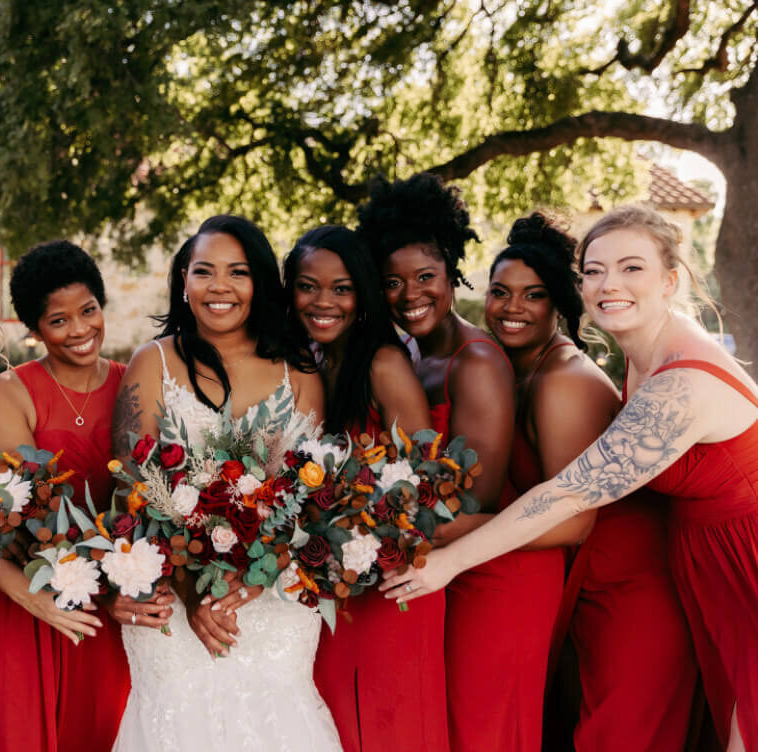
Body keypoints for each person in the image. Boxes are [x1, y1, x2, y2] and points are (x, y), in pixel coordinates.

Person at [383, 204, 757, 752]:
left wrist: (447, 558)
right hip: (696, 556)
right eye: (595, 271)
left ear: (671, 280)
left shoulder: (682, 385)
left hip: (741, 557)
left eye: (632, 268)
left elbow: (570, 493)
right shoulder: (644, 348)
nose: (610, 284)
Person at [109, 214, 338, 750]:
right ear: (183, 281)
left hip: (274, 599)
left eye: (238, 272)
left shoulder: (299, 371)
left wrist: (265, 572)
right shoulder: (152, 363)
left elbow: (312, 497)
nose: (220, 287)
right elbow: (129, 489)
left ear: (259, 283)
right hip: (172, 594)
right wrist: (187, 590)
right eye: (204, 271)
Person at [358, 173, 563, 751]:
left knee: (481, 732)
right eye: (392, 281)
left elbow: (475, 499)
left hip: (493, 571)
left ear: (452, 273)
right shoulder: (414, 356)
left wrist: (360, 528)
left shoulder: (476, 363)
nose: (409, 294)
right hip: (441, 566)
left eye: (425, 277)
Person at [483, 211, 698, 752]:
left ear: (559, 302)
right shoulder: (517, 370)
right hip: (584, 586)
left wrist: (451, 535)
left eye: (532, 295)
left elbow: (574, 519)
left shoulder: (564, 382)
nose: (513, 308)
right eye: (500, 292)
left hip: (631, 588)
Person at [284, 225, 447, 752]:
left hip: (394, 582)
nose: (324, 301)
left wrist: (362, 532)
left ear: (363, 295)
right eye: (309, 286)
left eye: (342, 288)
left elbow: (424, 489)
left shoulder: (382, 363)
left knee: (389, 724)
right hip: (330, 586)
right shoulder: (308, 359)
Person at [0, 240, 137, 751]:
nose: (80, 330)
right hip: (37, 600)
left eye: (88, 311)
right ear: (34, 328)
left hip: (120, 606)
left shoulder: (132, 383)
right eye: (58, 320)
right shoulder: (9, 392)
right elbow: (18, 510)